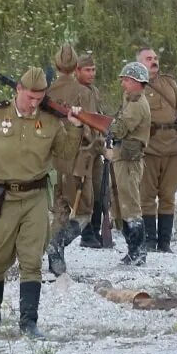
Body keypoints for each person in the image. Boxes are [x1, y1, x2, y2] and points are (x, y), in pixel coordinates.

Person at [0, 69, 69, 341]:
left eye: (40, 98)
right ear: (18, 89)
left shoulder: (52, 121)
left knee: (32, 261)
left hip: (35, 197)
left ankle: (29, 322)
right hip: (3, 198)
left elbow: (66, 155)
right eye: (30, 97)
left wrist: (76, 126)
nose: (34, 103)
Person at [45, 45, 104, 270]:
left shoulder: (48, 92)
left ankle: (54, 258)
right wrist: (99, 147)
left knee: (60, 208)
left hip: (54, 159)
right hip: (78, 159)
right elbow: (91, 130)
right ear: (75, 67)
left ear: (57, 65)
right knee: (84, 211)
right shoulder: (84, 92)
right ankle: (56, 245)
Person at [138, 48, 177, 254]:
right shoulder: (135, 87)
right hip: (149, 149)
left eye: (155, 58)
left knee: (168, 196)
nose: (154, 61)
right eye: (149, 59)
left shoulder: (169, 83)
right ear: (139, 63)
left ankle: (164, 243)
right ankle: (149, 241)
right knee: (146, 197)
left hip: (173, 148)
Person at [109, 62, 153, 266]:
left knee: (131, 205)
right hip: (124, 158)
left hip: (129, 160)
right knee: (124, 204)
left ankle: (138, 252)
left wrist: (106, 127)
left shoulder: (136, 104)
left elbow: (119, 130)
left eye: (126, 80)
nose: (123, 84)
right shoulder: (130, 99)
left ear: (137, 82)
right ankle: (133, 251)